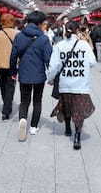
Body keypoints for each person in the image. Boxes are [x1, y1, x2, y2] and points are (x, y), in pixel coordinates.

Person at [47, 21, 96, 150]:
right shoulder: (84, 45)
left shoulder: (59, 46)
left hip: (65, 84)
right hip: (81, 84)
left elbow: (54, 67)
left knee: (67, 106)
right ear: (77, 31)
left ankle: (68, 129)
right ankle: (77, 137)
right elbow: (92, 62)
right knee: (78, 111)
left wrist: (50, 79)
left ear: (64, 31)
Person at [10, 11, 52, 141]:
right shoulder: (44, 38)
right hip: (39, 75)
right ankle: (33, 127)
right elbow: (48, 58)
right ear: (39, 23)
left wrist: (13, 72)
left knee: (24, 101)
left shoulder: (19, 36)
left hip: (24, 73)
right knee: (37, 101)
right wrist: (51, 75)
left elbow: (13, 57)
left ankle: (23, 119)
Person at [0, 13, 18, 120]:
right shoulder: (17, 34)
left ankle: (6, 105)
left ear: (1, 22)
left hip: (1, 66)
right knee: (10, 87)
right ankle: (6, 109)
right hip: (13, 66)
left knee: (2, 86)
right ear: (12, 22)